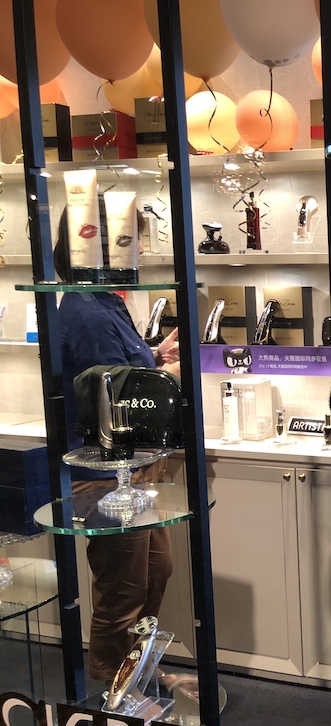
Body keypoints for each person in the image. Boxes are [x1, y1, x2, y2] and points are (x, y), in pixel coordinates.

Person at [54, 208, 181, 683]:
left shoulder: (105, 302)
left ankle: (137, 672)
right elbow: (116, 399)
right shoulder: (90, 313)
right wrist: (169, 376)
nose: (140, 250)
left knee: (156, 571)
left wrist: (154, 356)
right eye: (131, 240)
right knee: (123, 589)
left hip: (132, 467)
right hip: (108, 474)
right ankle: (112, 680)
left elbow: (119, 371)